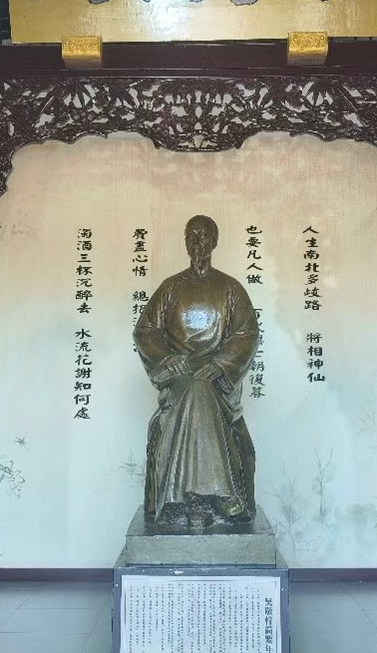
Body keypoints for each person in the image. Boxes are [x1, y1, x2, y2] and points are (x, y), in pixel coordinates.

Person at [134, 215, 259, 529]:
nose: (197, 242)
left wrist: (220, 364)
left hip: (216, 378)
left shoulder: (230, 288)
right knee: (193, 388)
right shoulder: (171, 287)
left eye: (203, 236)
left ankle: (188, 497)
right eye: (191, 235)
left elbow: (246, 334)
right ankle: (217, 495)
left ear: (214, 241)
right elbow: (145, 331)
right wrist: (167, 359)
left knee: (201, 388)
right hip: (180, 376)